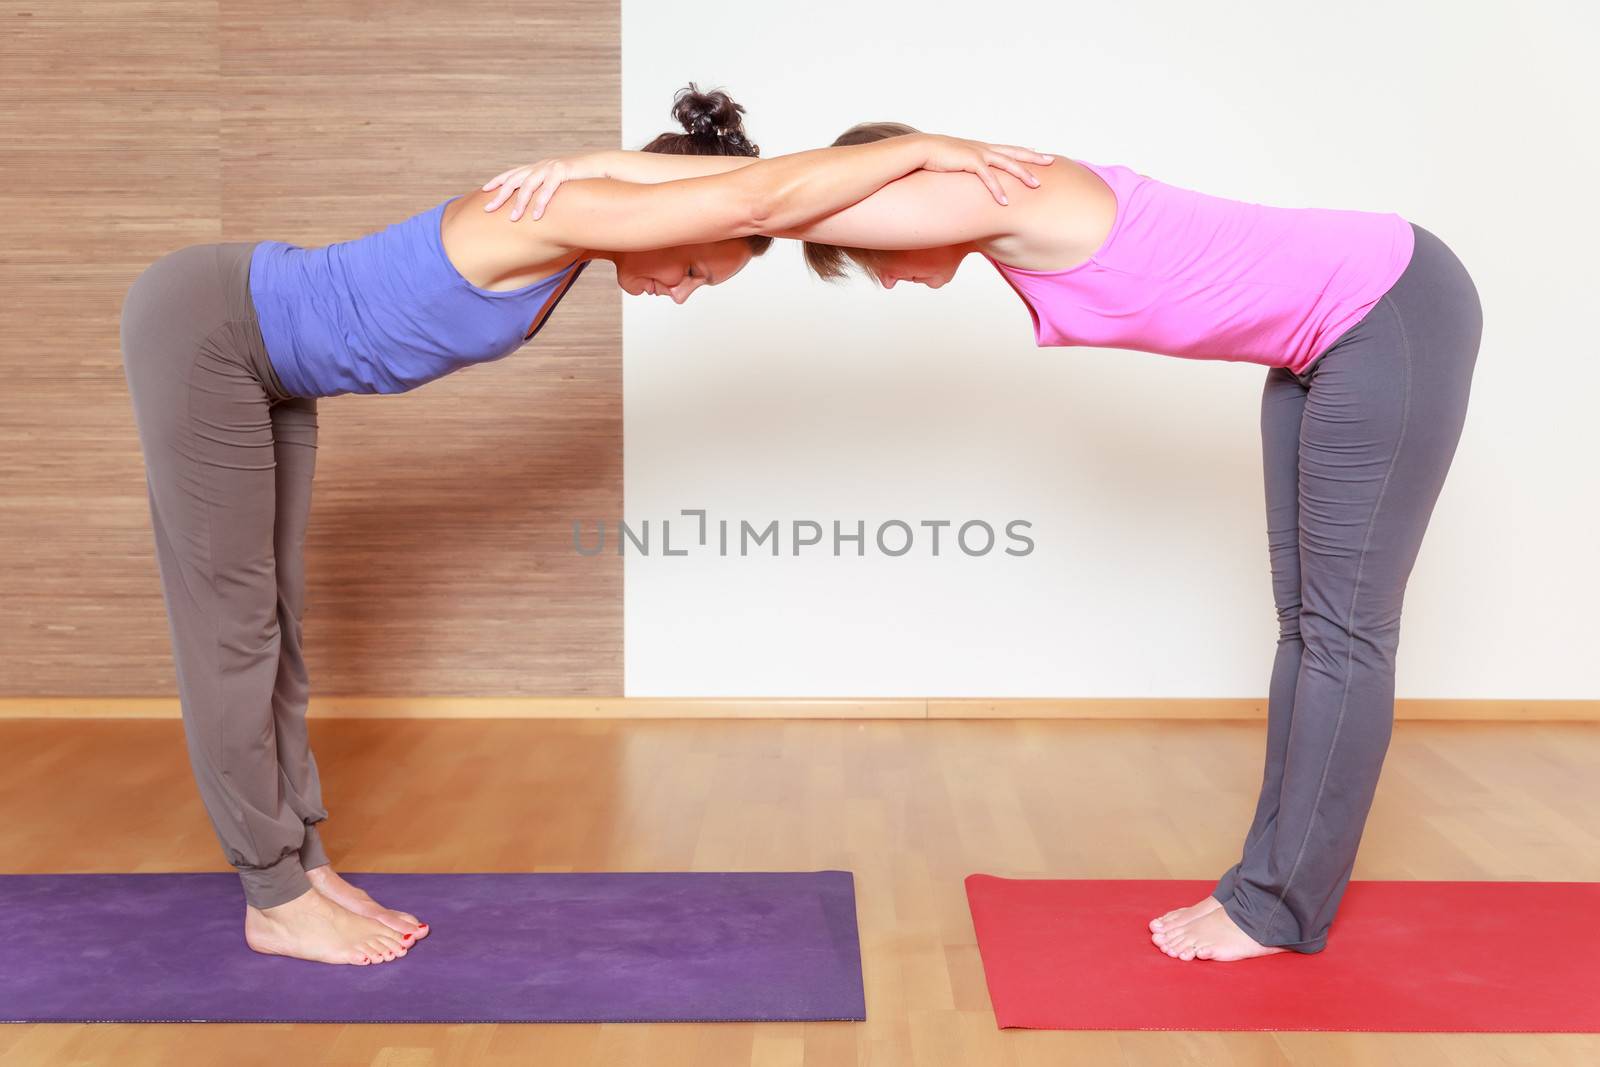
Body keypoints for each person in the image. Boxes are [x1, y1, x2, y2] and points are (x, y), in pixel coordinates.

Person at [487, 118, 1482, 962]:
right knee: (1307, 625)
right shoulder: (999, 204)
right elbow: (771, 192)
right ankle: (1261, 882)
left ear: (905, 193)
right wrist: (595, 171)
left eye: (869, 255)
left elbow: (760, 197)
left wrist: (590, 174)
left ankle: (1276, 906)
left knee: (1343, 631)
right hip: (1316, 340)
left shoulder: (989, 189)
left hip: (1384, 310)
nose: (878, 276)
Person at [119, 87, 1050, 966]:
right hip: (215, 331)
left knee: (275, 626)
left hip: (272, 361)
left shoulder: (582, 201)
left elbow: (683, 179)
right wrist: (920, 150)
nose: (683, 289)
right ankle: (272, 898)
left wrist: (594, 161)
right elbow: (757, 194)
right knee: (234, 632)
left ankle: (303, 865)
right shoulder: (568, 214)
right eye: (691, 266)